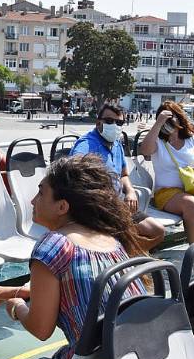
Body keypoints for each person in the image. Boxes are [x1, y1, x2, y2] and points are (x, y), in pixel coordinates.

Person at [0, 155, 147, 359]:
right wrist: (18, 291)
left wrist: (17, 307)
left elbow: (41, 329)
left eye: (41, 193)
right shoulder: (110, 239)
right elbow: (83, 286)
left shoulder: (53, 247)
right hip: (130, 356)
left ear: (62, 207)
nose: (32, 201)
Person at [139, 101, 194, 261]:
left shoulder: (191, 137)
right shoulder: (158, 140)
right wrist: (158, 123)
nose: (169, 124)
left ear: (179, 119)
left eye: (171, 120)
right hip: (167, 192)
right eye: (164, 120)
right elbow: (145, 150)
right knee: (192, 205)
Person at [70, 103, 165, 251]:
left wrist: (130, 191)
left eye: (119, 122)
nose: (114, 125)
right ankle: (122, 258)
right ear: (98, 122)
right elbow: (74, 173)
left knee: (157, 231)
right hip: (97, 209)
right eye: (109, 121)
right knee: (127, 235)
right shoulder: (87, 145)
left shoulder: (116, 144)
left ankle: (125, 256)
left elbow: (124, 175)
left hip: (119, 205)